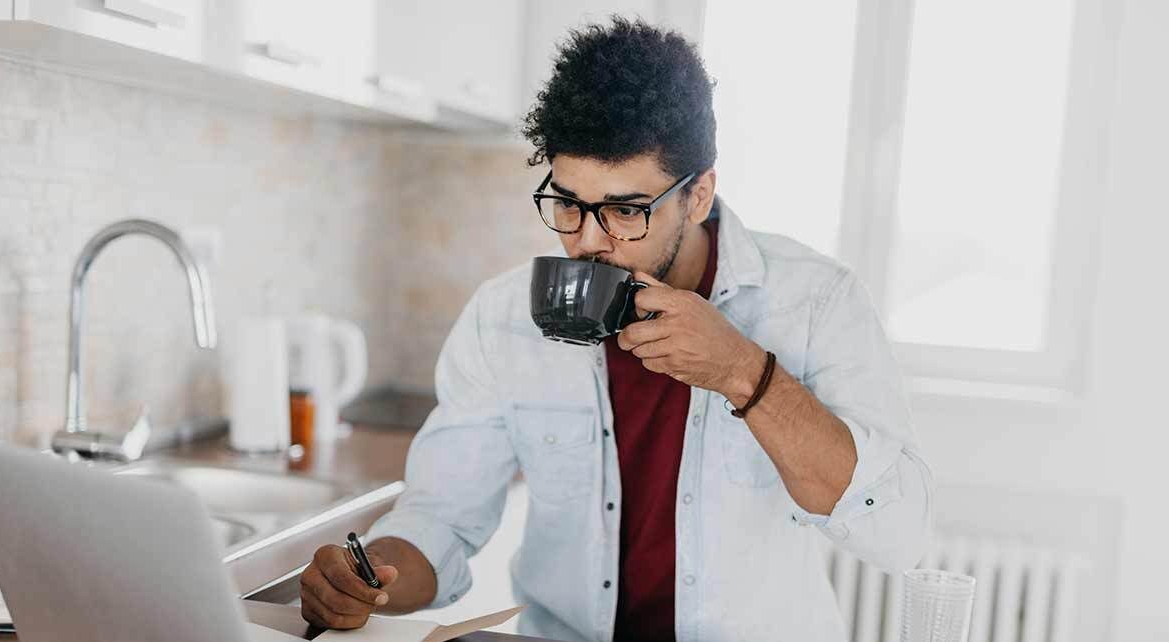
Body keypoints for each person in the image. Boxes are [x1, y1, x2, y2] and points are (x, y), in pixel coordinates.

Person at [299, 17, 932, 642]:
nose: (588, 241)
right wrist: (368, 577)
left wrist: (743, 372)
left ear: (700, 193)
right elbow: (440, 516)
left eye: (627, 211)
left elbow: (898, 532)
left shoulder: (815, 301)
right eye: (569, 203)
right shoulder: (503, 318)